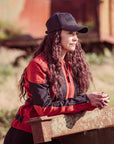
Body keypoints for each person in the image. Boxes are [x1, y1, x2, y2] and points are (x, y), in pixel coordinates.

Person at [4, 12, 110, 144]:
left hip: (57, 132)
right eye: (70, 33)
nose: (76, 38)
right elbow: (44, 109)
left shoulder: (73, 65)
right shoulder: (38, 65)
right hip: (29, 135)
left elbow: (72, 104)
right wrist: (87, 100)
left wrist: (95, 102)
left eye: (76, 34)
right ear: (56, 36)